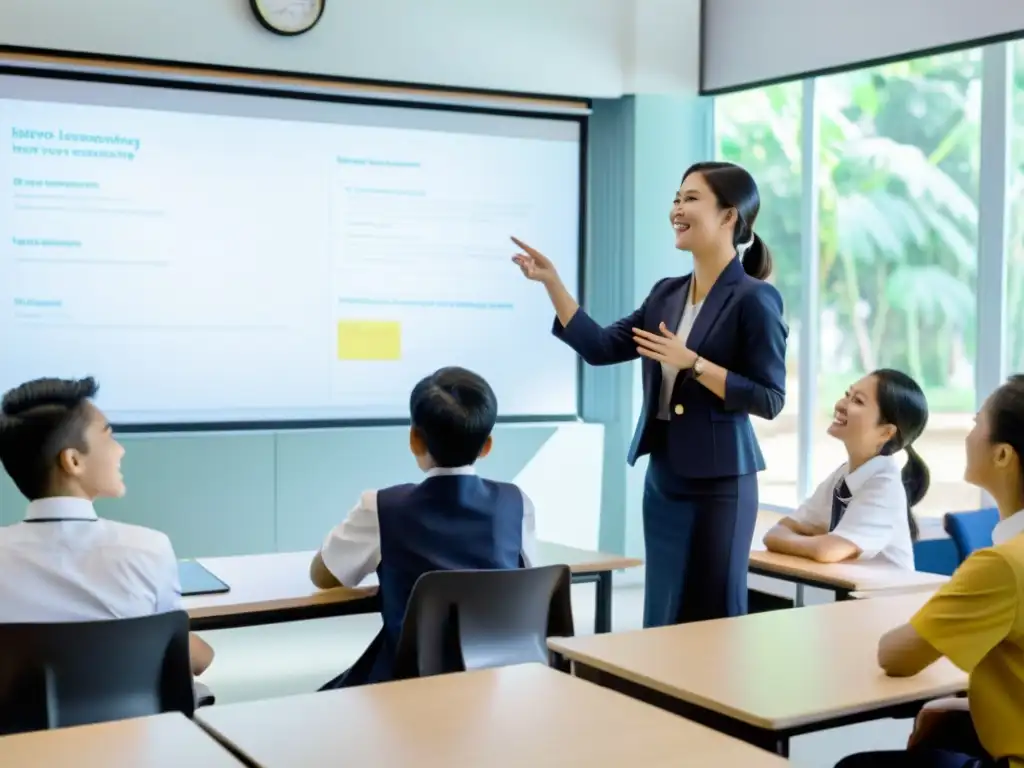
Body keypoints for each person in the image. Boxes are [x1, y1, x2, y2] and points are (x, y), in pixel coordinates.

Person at [512, 160, 788, 627]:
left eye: (692, 198)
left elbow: (769, 398)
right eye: (677, 198)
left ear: (729, 217)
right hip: (665, 479)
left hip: (721, 484)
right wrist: (554, 285)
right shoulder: (666, 294)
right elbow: (599, 347)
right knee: (662, 611)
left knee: (713, 613)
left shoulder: (754, 298)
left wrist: (694, 364)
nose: (677, 208)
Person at [836, 375, 1024, 768]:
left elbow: (896, 656)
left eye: (976, 423)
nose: (968, 436)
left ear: (1003, 455)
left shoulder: (1004, 564)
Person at [311, 366, 538, 688]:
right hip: (494, 684)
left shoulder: (381, 507)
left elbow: (323, 576)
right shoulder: (517, 504)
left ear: (414, 438)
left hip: (406, 686)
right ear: (487, 445)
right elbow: (525, 581)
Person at [0, 377, 214, 679]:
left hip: (20, 726)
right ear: (73, 461)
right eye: (109, 435)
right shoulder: (146, 548)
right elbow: (183, 655)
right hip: (131, 725)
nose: (120, 450)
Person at [763, 369, 929, 568]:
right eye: (847, 395)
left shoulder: (884, 486)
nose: (841, 405)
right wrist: (819, 542)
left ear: (886, 432)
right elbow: (775, 533)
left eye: (857, 401)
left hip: (886, 597)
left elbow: (827, 551)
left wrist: (822, 541)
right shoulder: (843, 476)